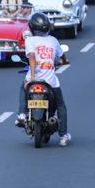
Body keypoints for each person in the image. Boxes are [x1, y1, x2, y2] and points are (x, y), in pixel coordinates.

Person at [16, 13, 70, 145]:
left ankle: (22, 114)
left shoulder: (30, 40)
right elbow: (63, 58)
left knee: (23, 89)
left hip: (32, 80)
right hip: (50, 82)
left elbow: (31, 57)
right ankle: (63, 136)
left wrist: (32, 78)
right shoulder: (53, 40)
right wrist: (64, 61)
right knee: (60, 105)